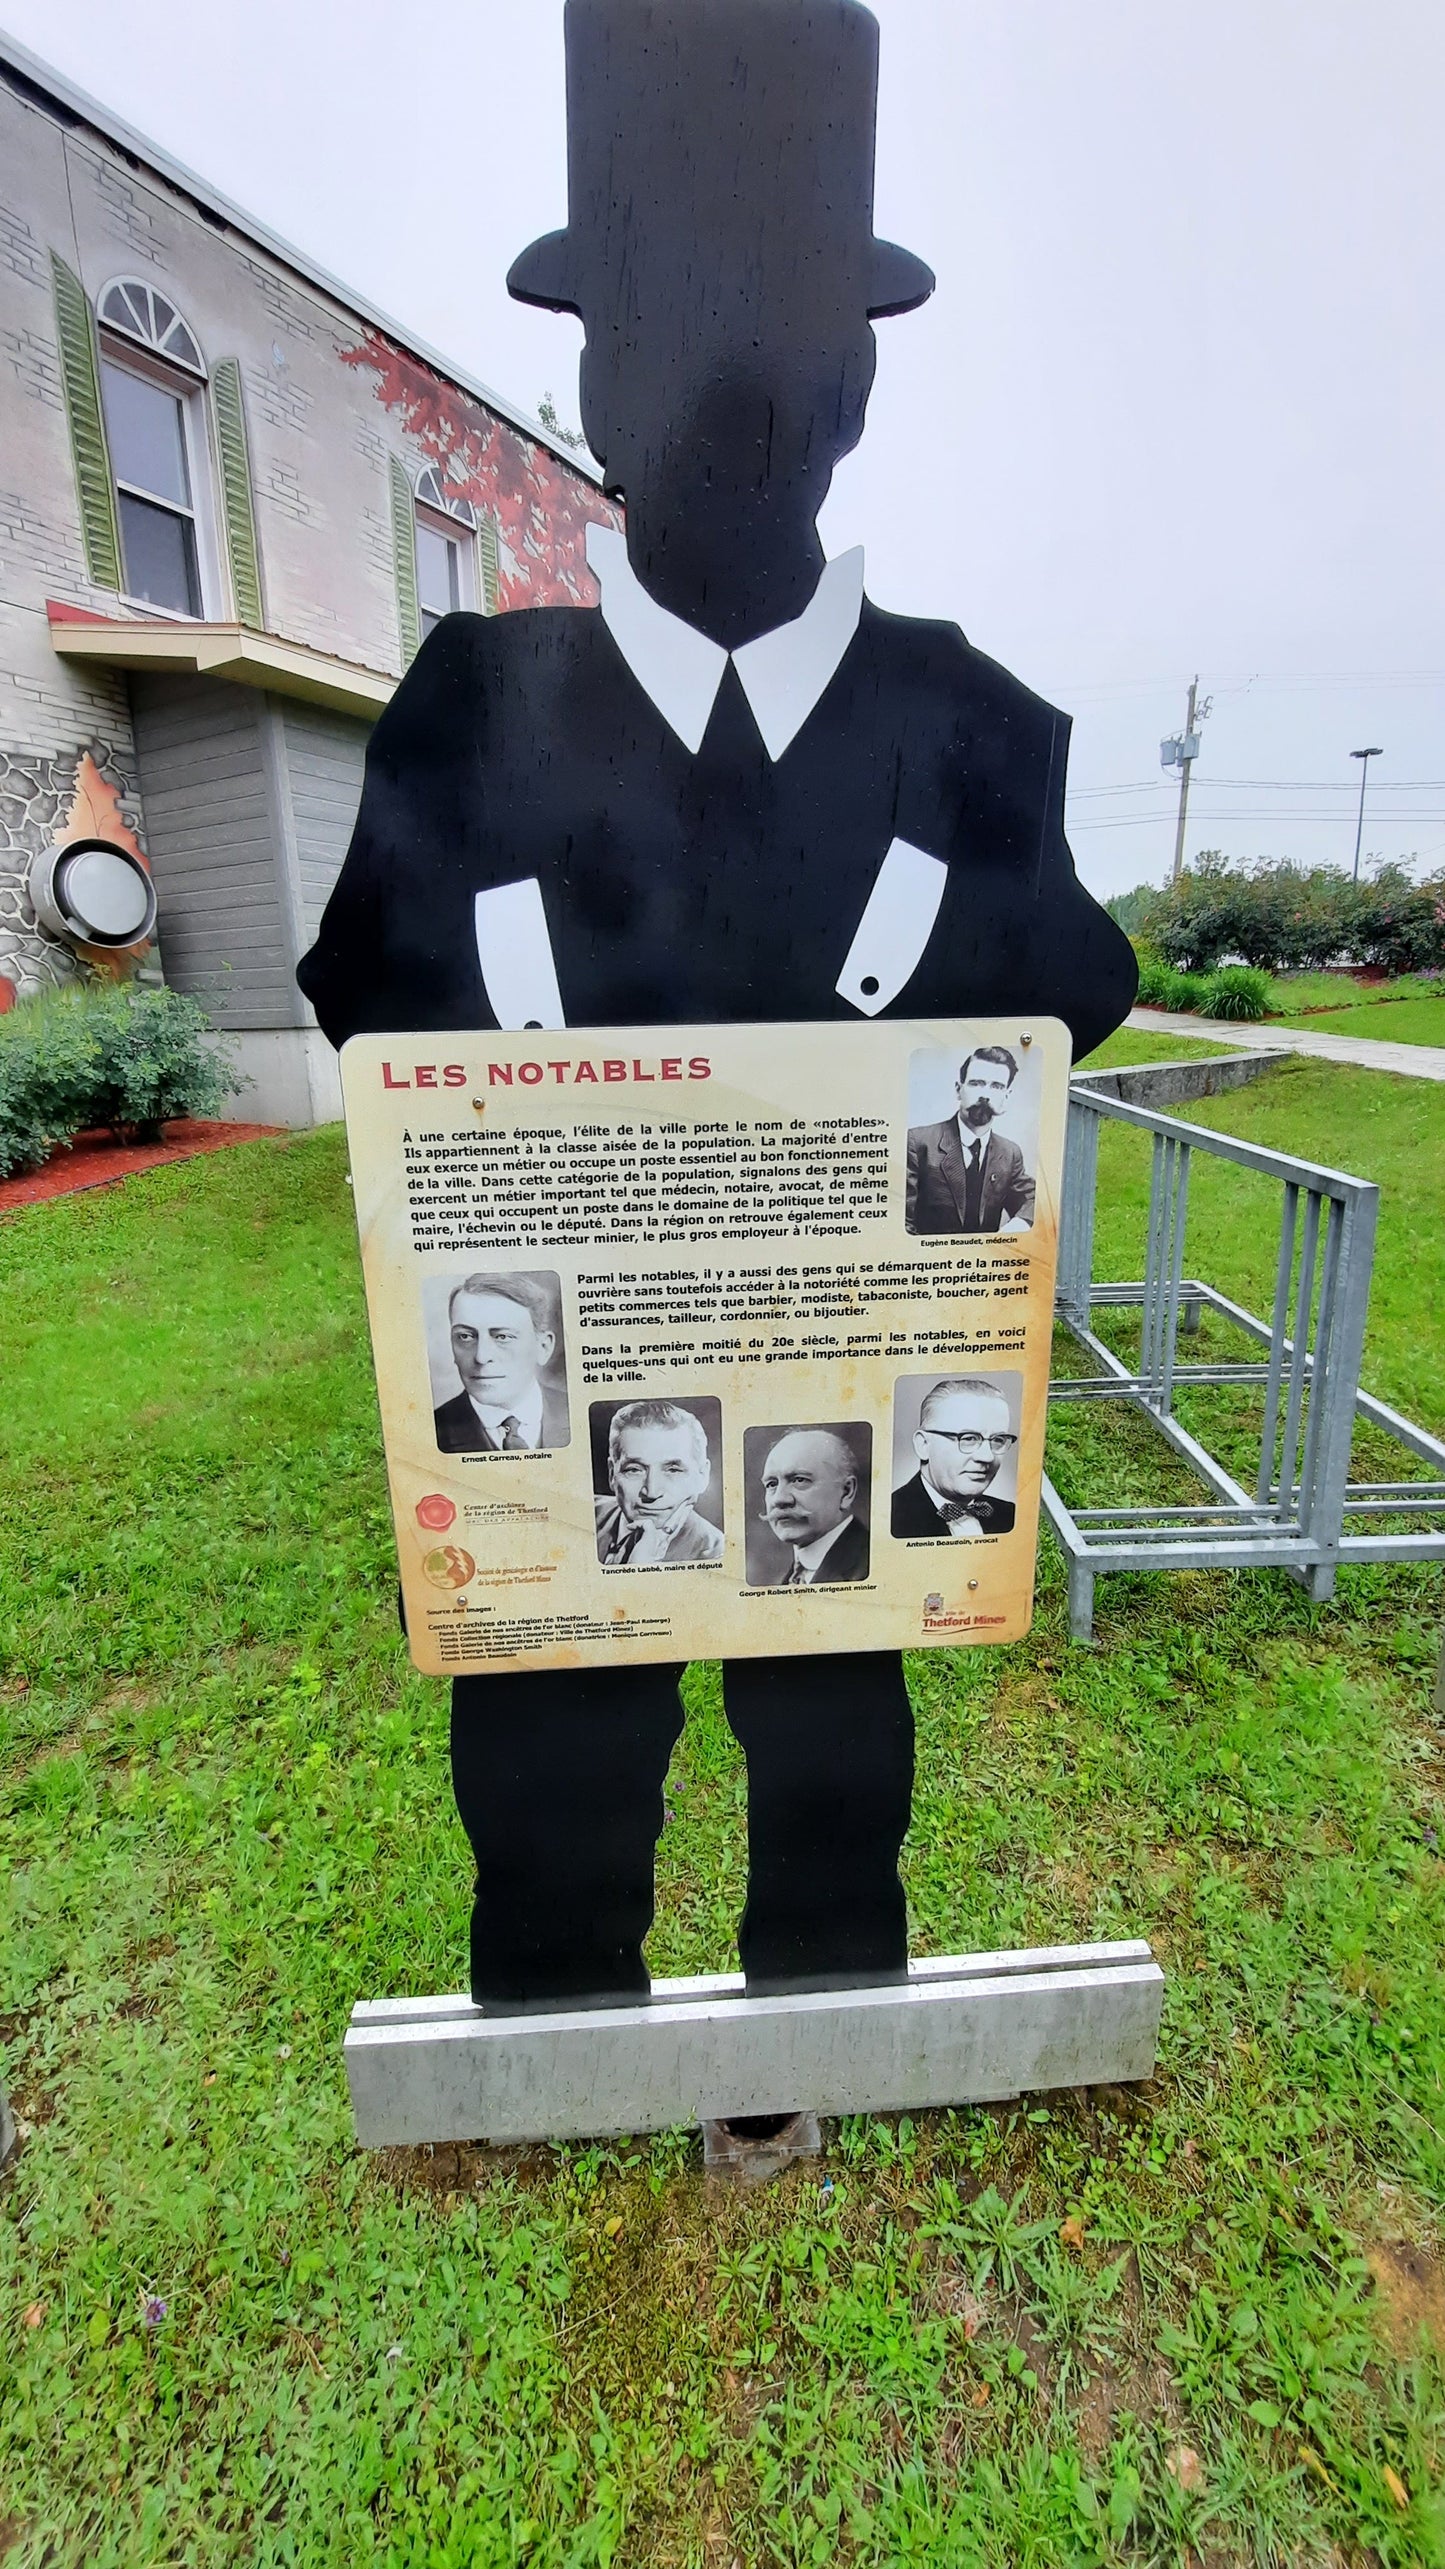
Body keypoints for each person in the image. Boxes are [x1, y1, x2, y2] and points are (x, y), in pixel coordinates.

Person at [298, 0, 1137, 2012]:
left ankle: (817, 2017)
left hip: (855, 1423)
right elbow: (371, 1006)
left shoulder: (972, 732)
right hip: (552, 1431)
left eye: (776, 349)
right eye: (657, 337)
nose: (723, 396)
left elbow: (1063, 995)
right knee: (554, 1760)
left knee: (834, 1746)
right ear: (587, 380)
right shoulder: (466, 723)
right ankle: (556, 2028)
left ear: (855, 386)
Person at [906, 1048, 1035, 1237]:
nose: (985, 1095)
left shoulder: (1009, 1153)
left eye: (996, 1086)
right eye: (976, 1083)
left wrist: (1017, 1227)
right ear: (959, 1090)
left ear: (1006, 1096)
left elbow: (1034, 1200)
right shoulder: (919, 1142)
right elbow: (903, 1223)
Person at [433, 1273, 569, 1453]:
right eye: (465, 1336)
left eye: (502, 1337)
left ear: (543, 1347)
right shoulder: (432, 1430)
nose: (481, 1357)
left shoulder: (579, 1414)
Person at [595, 1400, 723, 1565]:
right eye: (634, 1470)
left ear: (702, 1477)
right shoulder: (580, 1515)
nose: (652, 1492)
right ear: (612, 1473)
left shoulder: (717, 1553)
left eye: (673, 1470)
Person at [892, 1378, 1018, 1538]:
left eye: (998, 1440)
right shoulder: (888, 1519)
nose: (987, 1457)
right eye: (968, 1438)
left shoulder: (1010, 1515)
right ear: (923, 1445)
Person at [757, 1429, 870, 1584]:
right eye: (771, 1484)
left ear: (846, 1492)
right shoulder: (792, 1576)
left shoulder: (873, 1563)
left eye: (799, 1480)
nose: (779, 1499)